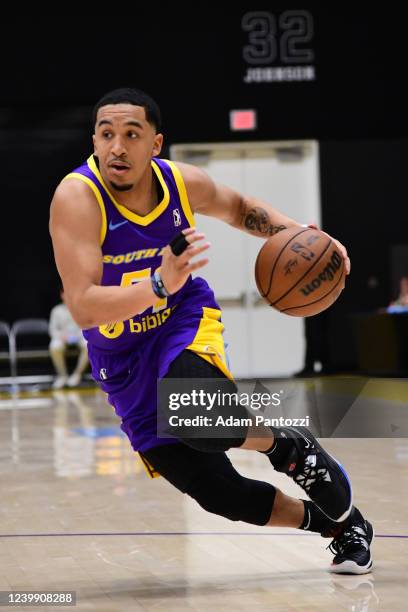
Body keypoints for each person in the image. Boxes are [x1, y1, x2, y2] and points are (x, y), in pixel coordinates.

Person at [49, 88, 373, 574]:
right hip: (121, 360)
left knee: (193, 413)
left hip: (181, 320)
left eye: (131, 134)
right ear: (94, 139)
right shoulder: (77, 198)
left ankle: (286, 445)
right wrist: (158, 282)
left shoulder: (181, 184)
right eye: (106, 133)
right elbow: (83, 308)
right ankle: (339, 526)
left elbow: (241, 208)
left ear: (155, 145)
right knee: (222, 495)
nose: (117, 146)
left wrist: (307, 237)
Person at [49, 289, 89, 389]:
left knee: (88, 345)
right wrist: (61, 336)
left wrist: (78, 335)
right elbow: (52, 329)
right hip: (63, 337)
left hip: (79, 336)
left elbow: (86, 325)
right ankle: (62, 376)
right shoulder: (56, 310)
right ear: (62, 295)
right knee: (55, 346)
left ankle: (77, 374)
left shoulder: (81, 308)